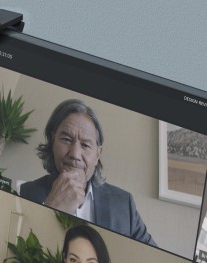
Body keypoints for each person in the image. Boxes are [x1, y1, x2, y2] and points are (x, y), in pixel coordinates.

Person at [17, 99, 157, 247]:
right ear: (53, 142)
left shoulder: (124, 204)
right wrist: (50, 207)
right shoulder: (25, 192)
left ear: (98, 154)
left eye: (85, 145)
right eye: (66, 139)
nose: (75, 154)